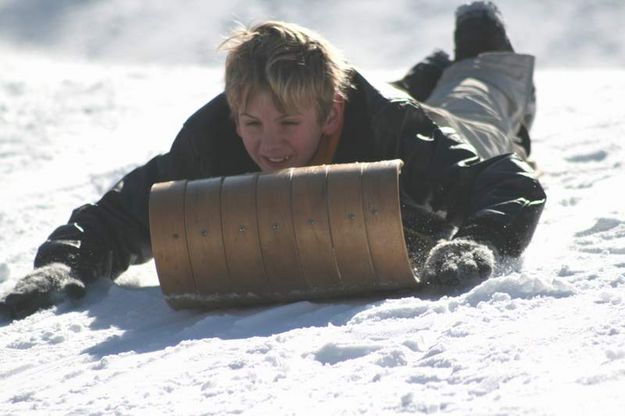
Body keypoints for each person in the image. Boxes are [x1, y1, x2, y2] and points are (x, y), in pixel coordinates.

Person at [0, 1, 546, 320]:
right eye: (254, 124)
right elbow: (117, 217)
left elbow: (504, 180)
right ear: (236, 114)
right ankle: (422, 75)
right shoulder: (213, 138)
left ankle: (478, 48)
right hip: (353, 101)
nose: (269, 144)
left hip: (439, 125)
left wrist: (480, 242)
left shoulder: (393, 128)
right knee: (417, 93)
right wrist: (65, 263)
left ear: (330, 116)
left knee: (477, 101)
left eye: (288, 125)